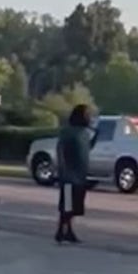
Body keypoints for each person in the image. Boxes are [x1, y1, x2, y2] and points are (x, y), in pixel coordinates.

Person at [55, 104, 93, 244]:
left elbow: (87, 149)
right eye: (87, 115)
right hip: (69, 174)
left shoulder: (84, 133)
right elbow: (60, 149)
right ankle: (61, 231)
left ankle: (67, 231)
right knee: (67, 205)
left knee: (74, 206)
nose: (90, 118)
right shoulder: (68, 132)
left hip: (80, 174)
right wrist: (62, 169)